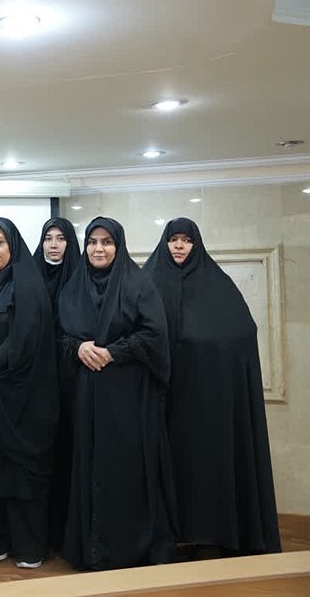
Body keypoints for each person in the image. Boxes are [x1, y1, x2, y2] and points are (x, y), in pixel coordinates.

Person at [143, 218, 280, 555]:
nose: (179, 246)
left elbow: (241, 333)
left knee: (204, 467)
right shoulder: (146, 283)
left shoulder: (218, 285)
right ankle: (161, 537)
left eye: (186, 240)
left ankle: (209, 534)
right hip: (158, 400)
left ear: (196, 245)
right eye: (173, 239)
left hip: (206, 400)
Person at [58, 217, 175, 570]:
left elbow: (154, 334)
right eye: (92, 242)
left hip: (128, 396)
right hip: (86, 396)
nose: (98, 249)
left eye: (106, 242)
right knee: (89, 464)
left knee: (125, 469)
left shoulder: (138, 284)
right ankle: (91, 549)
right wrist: (78, 348)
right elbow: (58, 336)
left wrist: (113, 353)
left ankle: (129, 548)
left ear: (118, 246)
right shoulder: (73, 287)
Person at [0, 218, 58, 569]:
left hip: (25, 396)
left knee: (24, 471)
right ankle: (1, 539)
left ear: (13, 245)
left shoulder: (28, 283)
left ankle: (30, 546)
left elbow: (27, 334)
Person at [31, 216, 80, 551]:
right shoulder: (30, 276)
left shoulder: (80, 277)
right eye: (48, 237)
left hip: (72, 382)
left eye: (61, 238)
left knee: (69, 452)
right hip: (36, 381)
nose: (53, 244)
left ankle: (67, 531)